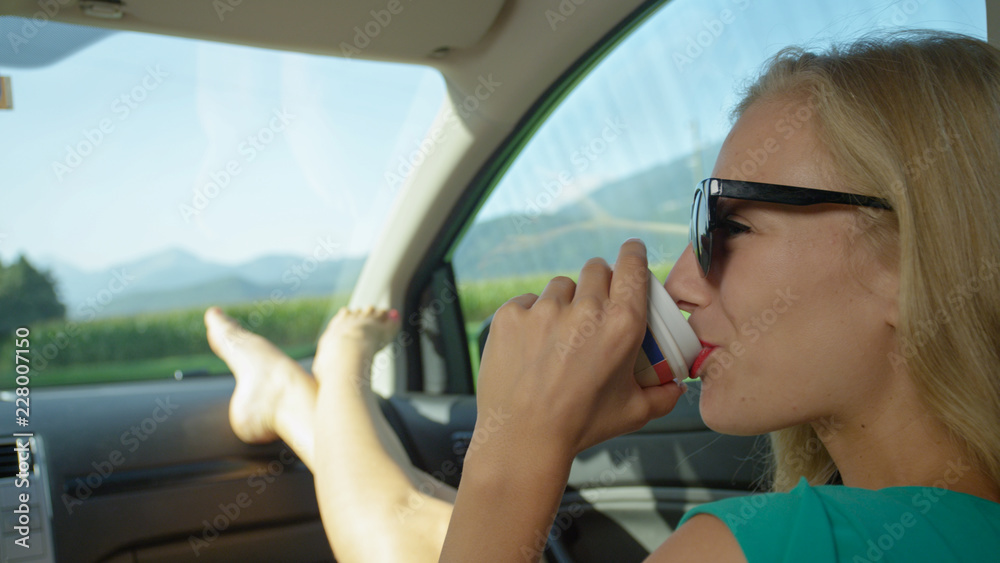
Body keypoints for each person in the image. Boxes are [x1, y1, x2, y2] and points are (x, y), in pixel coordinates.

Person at [207, 30, 1000, 563]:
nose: (682, 281)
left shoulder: (762, 545)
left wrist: (514, 448)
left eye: (731, 225)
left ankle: (320, 382)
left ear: (908, 260)